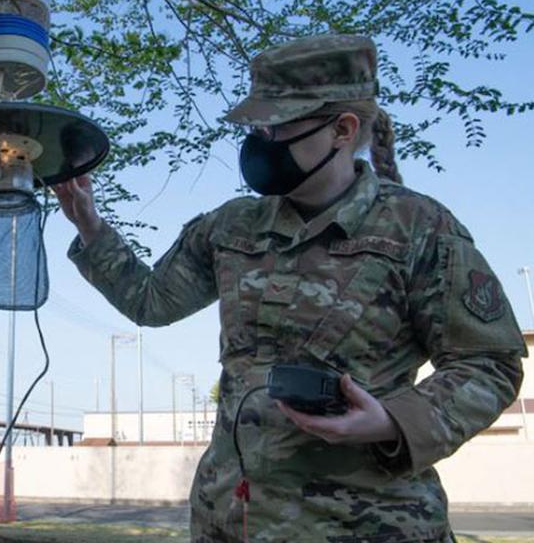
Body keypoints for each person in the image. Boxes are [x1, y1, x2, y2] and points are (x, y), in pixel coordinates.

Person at [53, 34, 526, 543]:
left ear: (342, 130)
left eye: (278, 126)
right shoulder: (231, 227)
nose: (260, 139)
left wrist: (391, 420)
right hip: (232, 518)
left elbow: (489, 363)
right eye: (258, 124)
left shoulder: (419, 228)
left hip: (367, 526)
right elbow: (151, 301)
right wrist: (89, 224)